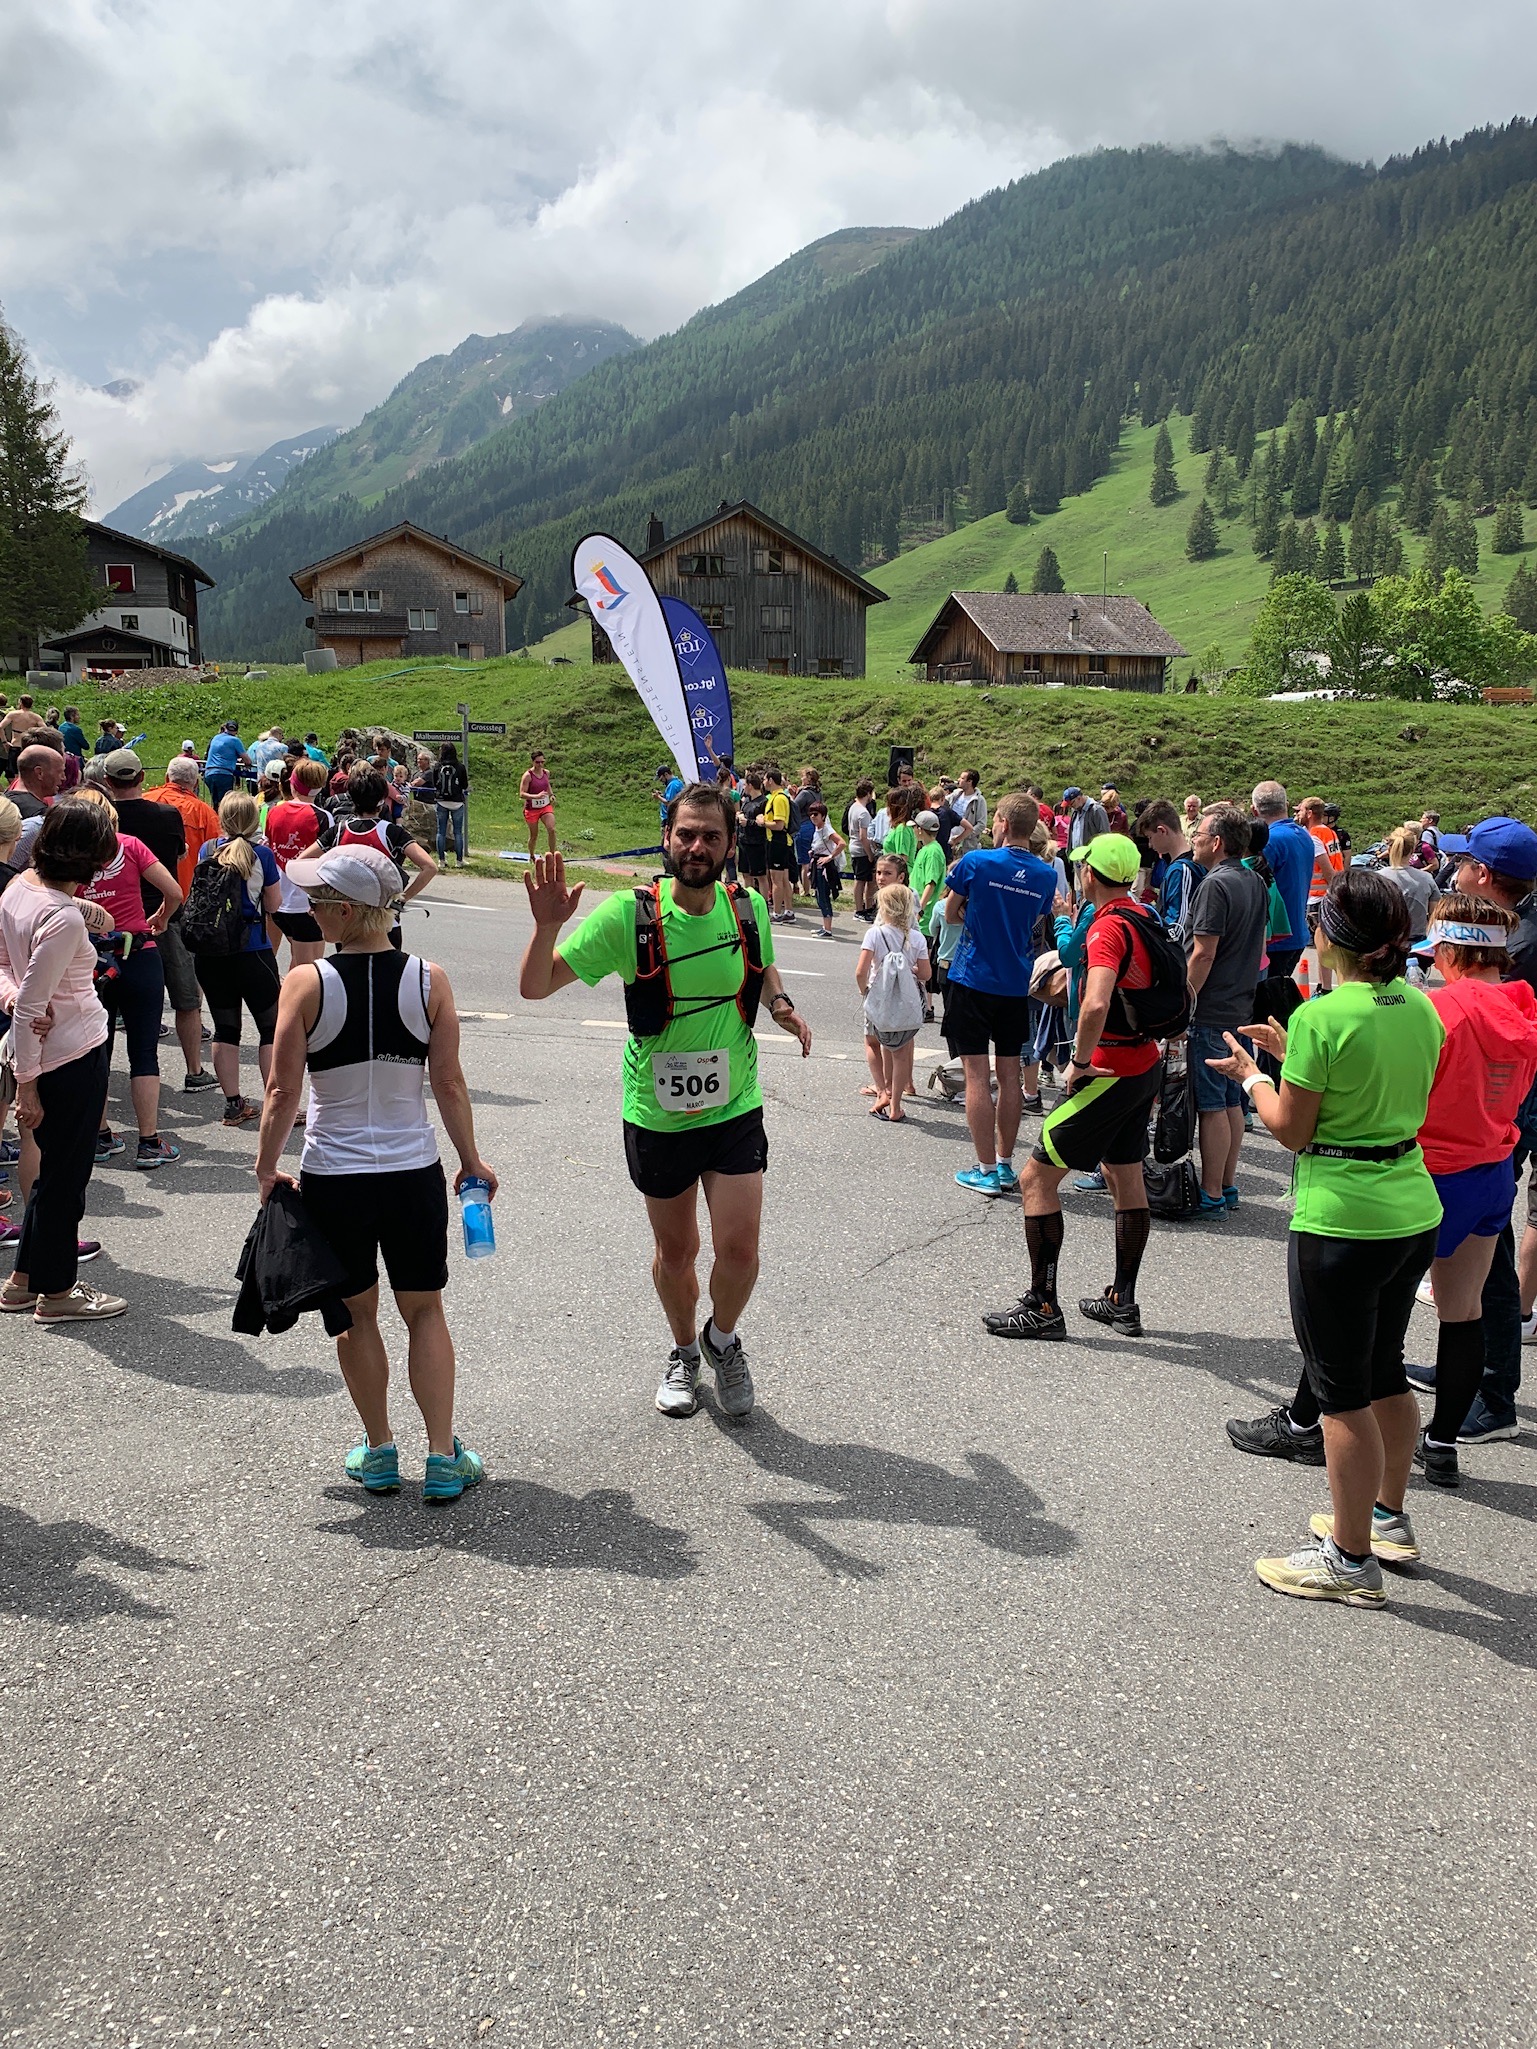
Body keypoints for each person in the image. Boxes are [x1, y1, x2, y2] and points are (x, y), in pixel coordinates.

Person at [518, 786, 811, 1421]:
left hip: (734, 1105)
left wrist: (782, 1006)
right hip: (658, 1114)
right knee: (678, 1253)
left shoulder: (748, 906)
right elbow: (535, 986)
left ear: (732, 845)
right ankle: (683, 1349)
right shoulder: (629, 917)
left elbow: (761, 969)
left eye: (710, 836)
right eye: (686, 834)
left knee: (740, 1251)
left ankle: (722, 1340)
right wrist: (547, 928)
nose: (697, 847)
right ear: (667, 839)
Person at [1212, 869, 1444, 1605]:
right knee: (1382, 1371)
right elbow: (1384, 1089)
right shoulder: (1419, 1004)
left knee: (1341, 1392)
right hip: (1409, 1203)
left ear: (1329, 936)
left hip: (1342, 1216)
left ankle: (1348, 1560)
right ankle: (1384, 1517)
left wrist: (1255, 1075)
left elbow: (1290, 1129)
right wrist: (1292, 1059)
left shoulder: (1322, 1015)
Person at [255, 845, 493, 1502]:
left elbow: (281, 1090)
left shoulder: (305, 983)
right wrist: (470, 1160)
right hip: (411, 1169)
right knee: (423, 1309)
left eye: (317, 897)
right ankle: (444, 1456)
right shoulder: (429, 980)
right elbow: (446, 1081)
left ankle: (381, 1451)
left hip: (335, 1173)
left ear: (347, 909)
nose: (306, 906)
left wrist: (267, 1165)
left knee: (357, 1315)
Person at [984, 833, 1167, 1341]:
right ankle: (1121, 1302)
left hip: (1106, 1072)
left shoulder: (1107, 927)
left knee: (1034, 1180)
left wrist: (1079, 1062)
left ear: (1090, 874)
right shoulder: (1144, 914)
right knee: (1125, 1178)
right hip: (1143, 1065)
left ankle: (1044, 1306)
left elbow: (1094, 1002)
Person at [1393, 896, 1537, 1486]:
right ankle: (1442, 1442)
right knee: (1464, 1313)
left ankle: (1332, 1430)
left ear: (1451, 951)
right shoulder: (1525, 1004)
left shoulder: (1438, 1008)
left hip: (1428, 1172)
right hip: (1492, 1170)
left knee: (1378, 1311)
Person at [1431, 815, 1537, 1446]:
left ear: (1485, 876)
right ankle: (1465, 1372)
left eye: (1464, 861)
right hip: (1504, 1118)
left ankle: (1489, 1390)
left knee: (1483, 1261)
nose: (1456, 868)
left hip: (1492, 1121)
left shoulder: (1504, 952)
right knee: (1476, 1264)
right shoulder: (1513, 941)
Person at [0, 802, 128, 1322]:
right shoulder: (63, 917)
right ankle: (58, 1293)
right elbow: (33, 1007)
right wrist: (26, 1087)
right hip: (70, 1054)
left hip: (50, 1051)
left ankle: (23, 1280)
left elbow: (6, 969)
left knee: (56, 1171)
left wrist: (11, 1003)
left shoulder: (18, 888)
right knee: (66, 1176)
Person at [944, 794, 1059, 1196]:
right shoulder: (1046, 875)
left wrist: (972, 913)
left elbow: (950, 910)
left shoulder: (977, 863)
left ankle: (985, 1169)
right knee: (1010, 1076)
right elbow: (1037, 919)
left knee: (977, 1076)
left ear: (1004, 823)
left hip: (973, 977)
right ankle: (1007, 1164)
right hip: (1015, 983)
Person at [72, 785, 184, 1171]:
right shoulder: (130, 845)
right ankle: (149, 1141)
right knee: (144, 1052)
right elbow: (173, 890)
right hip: (138, 952)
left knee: (96, 1050)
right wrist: (162, 919)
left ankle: (101, 1135)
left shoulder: (70, 857)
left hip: (88, 961)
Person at [99, 748, 218, 1097]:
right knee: (186, 999)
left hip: (112, 921)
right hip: (164, 916)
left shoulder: (99, 820)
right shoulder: (168, 814)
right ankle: (194, 1069)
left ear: (107, 782)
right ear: (140, 778)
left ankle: (102, 1083)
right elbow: (181, 854)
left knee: (105, 1007)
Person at [1186, 804, 1269, 1215]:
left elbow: (1203, 952)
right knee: (1233, 1098)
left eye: (1199, 835)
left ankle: (1211, 1191)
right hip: (1241, 1004)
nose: (1194, 841)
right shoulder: (1253, 880)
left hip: (1211, 1006)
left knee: (1211, 1106)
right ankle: (1228, 1184)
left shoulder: (1213, 885)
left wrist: (1184, 999)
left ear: (1217, 842)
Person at [192, 791, 283, 1127]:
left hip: (213, 953)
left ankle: (233, 1104)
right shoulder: (262, 855)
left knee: (225, 1028)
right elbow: (273, 905)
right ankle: (276, 1102)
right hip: (253, 951)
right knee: (270, 1028)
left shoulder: (207, 850)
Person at [302, 766, 437, 946]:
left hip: (347, 922)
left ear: (352, 798)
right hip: (385, 921)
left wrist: (328, 893)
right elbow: (430, 867)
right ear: (382, 800)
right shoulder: (392, 832)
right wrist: (402, 899)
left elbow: (302, 861)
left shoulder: (338, 831)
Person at [857, 883, 930, 1122]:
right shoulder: (917, 938)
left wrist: (865, 991)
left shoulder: (874, 934)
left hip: (879, 998)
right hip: (906, 1002)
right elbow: (925, 975)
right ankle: (896, 1106)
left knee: (871, 1043)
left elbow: (861, 971)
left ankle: (881, 1091)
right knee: (900, 1053)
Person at [265, 758, 333, 968]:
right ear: (320, 787)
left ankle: (281, 996)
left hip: (277, 898)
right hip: (305, 902)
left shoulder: (274, 810)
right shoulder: (323, 817)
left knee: (295, 961)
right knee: (309, 967)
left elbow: (271, 846)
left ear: (292, 784)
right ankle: (290, 1000)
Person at [1251, 781, 1312, 978]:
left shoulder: (1269, 840)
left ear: (1254, 810)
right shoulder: (1304, 835)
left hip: (1275, 938)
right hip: (1296, 933)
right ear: (1285, 805)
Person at [1141, 799, 1201, 944]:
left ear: (1162, 831)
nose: (1150, 844)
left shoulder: (1181, 870)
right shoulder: (1177, 866)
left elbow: (1179, 927)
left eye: (1150, 837)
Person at [1380, 823, 1437, 940]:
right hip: (1417, 943)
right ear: (1413, 850)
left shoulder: (1377, 879)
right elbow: (1435, 917)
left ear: (1389, 849)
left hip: (1385, 942)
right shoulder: (1427, 879)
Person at [9, 743, 65, 857]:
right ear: (39, 773)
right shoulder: (40, 818)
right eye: (60, 772)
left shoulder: (5, 804)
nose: (63, 777)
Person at [804, 800, 844, 938]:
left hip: (825, 868)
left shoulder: (827, 829)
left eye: (816, 814)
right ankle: (825, 927)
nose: (813, 816)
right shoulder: (818, 829)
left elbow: (841, 843)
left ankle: (828, 929)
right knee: (819, 896)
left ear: (823, 816)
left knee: (824, 896)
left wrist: (830, 857)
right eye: (811, 814)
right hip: (817, 865)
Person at [427, 741, 469, 865]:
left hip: (441, 801)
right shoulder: (460, 767)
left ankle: (441, 860)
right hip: (457, 802)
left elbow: (435, 784)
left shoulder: (437, 766)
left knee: (441, 831)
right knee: (457, 832)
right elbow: (464, 785)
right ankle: (459, 860)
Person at [763, 767, 795, 920]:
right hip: (780, 841)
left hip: (778, 841)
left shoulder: (779, 798)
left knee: (777, 880)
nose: (763, 782)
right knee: (783, 879)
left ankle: (777, 912)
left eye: (764, 779)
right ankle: (788, 911)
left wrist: (763, 823)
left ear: (770, 780)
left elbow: (779, 825)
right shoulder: (776, 797)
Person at [847, 779, 877, 921]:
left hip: (854, 846)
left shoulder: (853, 807)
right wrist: (870, 853)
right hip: (861, 849)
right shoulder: (863, 813)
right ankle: (860, 909)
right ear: (868, 794)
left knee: (864, 879)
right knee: (861, 880)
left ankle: (865, 907)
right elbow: (863, 836)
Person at [735, 771, 769, 898]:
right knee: (745, 873)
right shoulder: (747, 801)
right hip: (744, 841)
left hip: (757, 843)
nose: (743, 788)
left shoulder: (763, 802)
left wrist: (748, 822)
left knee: (760, 875)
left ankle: (763, 902)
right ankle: (749, 901)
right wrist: (739, 816)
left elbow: (763, 823)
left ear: (750, 785)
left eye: (745, 785)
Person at [518, 748, 554, 862]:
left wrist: (551, 795)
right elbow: (522, 794)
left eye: (542, 762)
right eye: (537, 762)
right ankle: (532, 855)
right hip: (531, 808)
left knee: (551, 829)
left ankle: (552, 856)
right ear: (533, 762)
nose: (540, 764)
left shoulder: (546, 773)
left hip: (545, 806)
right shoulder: (527, 776)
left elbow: (547, 785)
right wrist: (536, 796)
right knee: (534, 835)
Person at [204, 722, 251, 807]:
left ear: (225, 728)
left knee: (215, 803)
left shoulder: (216, 737)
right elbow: (247, 760)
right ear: (236, 731)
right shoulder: (235, 740)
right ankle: (224, 819)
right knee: (225, 804)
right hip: (223, 774)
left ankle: (215, 818)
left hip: (209, 773)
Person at [0, 695, 45, 774]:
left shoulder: (13, 714)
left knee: (14, 774)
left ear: (21, 703)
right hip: (28, 747)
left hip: (15, 745)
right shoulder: (36, 717)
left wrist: (4, 742)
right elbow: (46, 730)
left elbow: (0, 727)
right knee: (27, 774)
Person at [955, 771, 987, 841]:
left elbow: (981, 824)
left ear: (969, 781)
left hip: (966, 844)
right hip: (949, 840)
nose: (958, 780)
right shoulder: (956, 795)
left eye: (962, 778)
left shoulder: (979, 800)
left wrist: (963, 837)